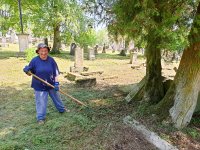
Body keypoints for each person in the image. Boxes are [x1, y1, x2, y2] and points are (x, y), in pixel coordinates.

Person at [23, 43, 69, 124]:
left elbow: (55, 73)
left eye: (45, 51)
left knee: (57, 98)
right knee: (41, 102)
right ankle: (40, 118)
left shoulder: (51, 60)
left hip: (51, 84)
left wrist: (57, 83)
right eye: (41, 51)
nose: (43, 53)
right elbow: (30, 72)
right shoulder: (34, 61)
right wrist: (26, 70)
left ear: (47, 51)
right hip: (39, 86)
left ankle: (62, 109)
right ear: (38, 52)